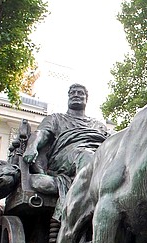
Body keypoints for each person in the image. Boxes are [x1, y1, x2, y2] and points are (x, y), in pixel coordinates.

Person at [23, 83, 110, 228]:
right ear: (68, 97)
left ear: (86, 99)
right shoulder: (56, 118)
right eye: (73, 93)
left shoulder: (98, 125)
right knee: (87, 157)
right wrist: (32, 146)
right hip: (67, 156)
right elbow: (41, 134)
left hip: (99, 154)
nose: (76, 95)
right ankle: (87, 210)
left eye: (80, 93)